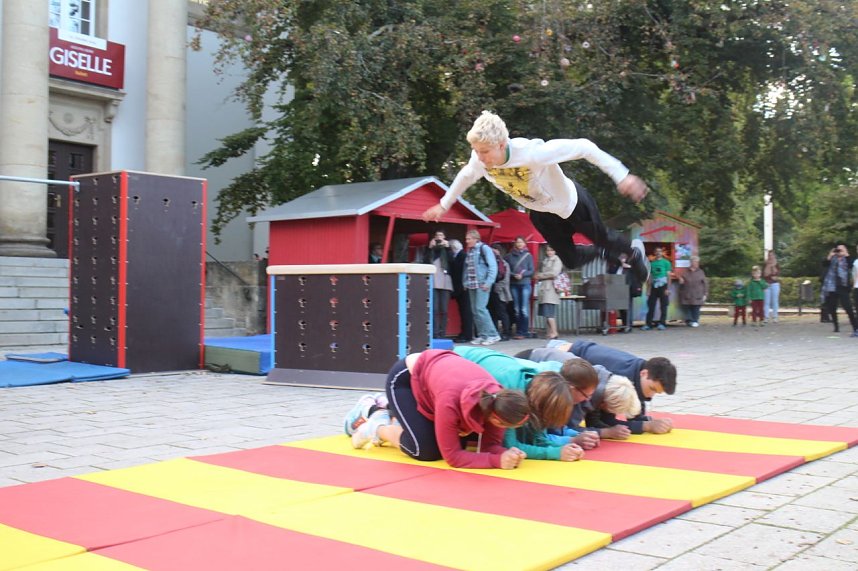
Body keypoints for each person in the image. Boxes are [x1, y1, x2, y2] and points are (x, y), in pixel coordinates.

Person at [421, 110, 651, 283]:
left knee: (603, 237)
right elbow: (466, 175)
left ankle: (633, 254)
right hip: (542, 213)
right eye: (476, 151)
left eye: (484, 152)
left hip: (571, 203)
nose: (480, 158)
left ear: (501, 144)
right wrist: (444, 204)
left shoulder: (533, 153)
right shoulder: (479, 160)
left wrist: (622, 176)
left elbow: (584, 147)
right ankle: (602, 253)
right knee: (571, 260)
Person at [348, 349, 530, 469]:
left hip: (436, 385)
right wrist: (496, 461)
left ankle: (389, 410)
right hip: (406, 379)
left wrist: (505, 453)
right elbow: (453, 457)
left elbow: (488, 447)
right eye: (508, 427)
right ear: (497, 419)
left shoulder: (496, 401)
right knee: (425, 450)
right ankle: (376, 426)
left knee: (461, 443)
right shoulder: (452, 400)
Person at [453, 345, 600, 452]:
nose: (587, 400)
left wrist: (572, 437)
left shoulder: (549, 387)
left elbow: (538, 436)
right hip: (456, 362)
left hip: (476, 362)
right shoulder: (512, 395)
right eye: (586, 395)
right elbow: (509, 445)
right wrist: (556, 452)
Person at [547, 340, 677, 435]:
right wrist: (646, 426)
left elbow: (635, 404)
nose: (650, 396)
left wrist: (644, 421)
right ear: (644, 373)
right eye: (652, 389)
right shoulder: (615, 379)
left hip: (564, 352)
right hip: (556, 354)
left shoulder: (639, 371)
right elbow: (599, 421)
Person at [517, 346, 646, 440]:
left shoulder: (601, 379)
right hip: (525, 364)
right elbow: (562, 427)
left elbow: (592, 422)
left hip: (536, 358)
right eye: (609, 410)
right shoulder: (583, 392)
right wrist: (605, 433)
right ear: (604, 403)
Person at [463, 229, 501, 345]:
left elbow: (493, 267)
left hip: (482, 284)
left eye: (469, 239)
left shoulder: (484, 249)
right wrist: (465, 282)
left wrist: (488, 282)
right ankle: (483, 335)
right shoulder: (470, 251)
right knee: (475, 311)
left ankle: (493, 335)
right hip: (472, 284)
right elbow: (467, 268)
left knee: (481, 309)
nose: (467, 241)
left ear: (476, 239)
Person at [821, 243, 858, 336]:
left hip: (843, 286)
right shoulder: (833, 259)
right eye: (838, 249)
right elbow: (824, 264)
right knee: (832, 308)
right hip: (831, 286)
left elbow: (851, 266)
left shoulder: (848, 259)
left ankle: (855, 327)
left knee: (848, 308)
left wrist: (846, 254)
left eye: (842, 249)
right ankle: (836, 326)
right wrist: (830, 255)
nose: (839, 251)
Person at [422, 230, 454, 339]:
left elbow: (452, 262)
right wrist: (430, 248)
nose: (439, 238)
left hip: (445, 281)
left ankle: (442, 333)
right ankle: (435, 333)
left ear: (445, 237)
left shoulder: (447, 249)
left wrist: (448, 248)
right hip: (433, 281)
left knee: (444, 309)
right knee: (434, 309)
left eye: (441, 235)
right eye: (437, 236)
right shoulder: (431, 250)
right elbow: (425, 263)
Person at [505, 236, 535, 339]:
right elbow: (506, 270)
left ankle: (524, 331)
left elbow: (531, 270)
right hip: (514, 284)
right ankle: (518, 331)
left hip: (525, 284)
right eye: (518, 242)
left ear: (525, 243)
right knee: (516, 309)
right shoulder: (509, 256)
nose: (519, 244)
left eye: (521, 242)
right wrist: (514, 275)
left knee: (524, 309)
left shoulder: (528, 256)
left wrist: (523, 275)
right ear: (515, 243)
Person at [533, 245, 563, 339]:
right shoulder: (546, 260)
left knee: (550, 313)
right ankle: (549, 332)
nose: (549, 252)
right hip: (544, 287)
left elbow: (554, 273)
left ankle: (554, 332)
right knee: (546, 313)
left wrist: (540, 275)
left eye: (551, 250)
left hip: (551, 288)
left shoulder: (556, 260)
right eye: (548, 250)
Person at [606, 251, 642, 331]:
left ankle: (628, 325)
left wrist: (628, 267)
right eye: (620, 257)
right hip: (617, 289)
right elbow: (609, 275)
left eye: (623, 257)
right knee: (621, 308)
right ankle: (624, 325)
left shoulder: (630, 267)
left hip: (627, 289)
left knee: (628, 307)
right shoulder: (615, 267)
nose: (622, 259)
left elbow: (635, 276)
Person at [448, 238, 474, 342]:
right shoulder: (461, 255)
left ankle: (466, 334)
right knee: (464, 311)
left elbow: (460, 273)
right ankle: (465, 333)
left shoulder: (462, 256)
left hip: (463, 288)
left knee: (465, 311)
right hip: (462, 288)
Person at [642, 246, 672, 331]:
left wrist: (668, 289)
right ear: (655, 253)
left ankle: (662, 324)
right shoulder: (652, 264)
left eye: (660, 251)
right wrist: (648, 289)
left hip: (663, 286)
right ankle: (648, 324)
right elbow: (650, 277)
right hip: (654, 286)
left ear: (662, 253)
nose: (658, 253)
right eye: (657, 251)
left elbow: (669, 276)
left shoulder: (666, 263)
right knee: (651, 305)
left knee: (663, 306)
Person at [488, 245, 513, 340]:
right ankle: (495, 332)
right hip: (490, 290)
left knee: (502, 312)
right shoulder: (489, 262)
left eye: (495, 251)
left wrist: (497, 289)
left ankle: (506, 332)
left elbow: (505, 280)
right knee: (492, 312)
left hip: (501, 291)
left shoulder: (504, 264)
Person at [677, 255, 708, 327]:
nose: (695, 263)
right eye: (694, 262)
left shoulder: (701, 272)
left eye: (697, 262)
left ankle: (695, 320)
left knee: (696, 307)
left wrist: (705, 293)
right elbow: (681, 281)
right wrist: (681, 281)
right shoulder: (685, 271)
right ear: (691, 262)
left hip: (698, 293)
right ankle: (689, 320)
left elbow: (705, 283)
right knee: (687, 307)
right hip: (687, 292)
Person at [762, 250, 781, 324]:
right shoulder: (765, 264)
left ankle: (775, 317)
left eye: (772, 255)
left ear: (774, 256)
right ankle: (766, 317)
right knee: (766, 301)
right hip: (767, 284)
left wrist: (773, 266)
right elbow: (764, 274)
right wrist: (769, 266)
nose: (770, 257)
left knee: (775, 301)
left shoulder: (776, 264)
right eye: (769, 255)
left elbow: (777, 274)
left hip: (775, 284)